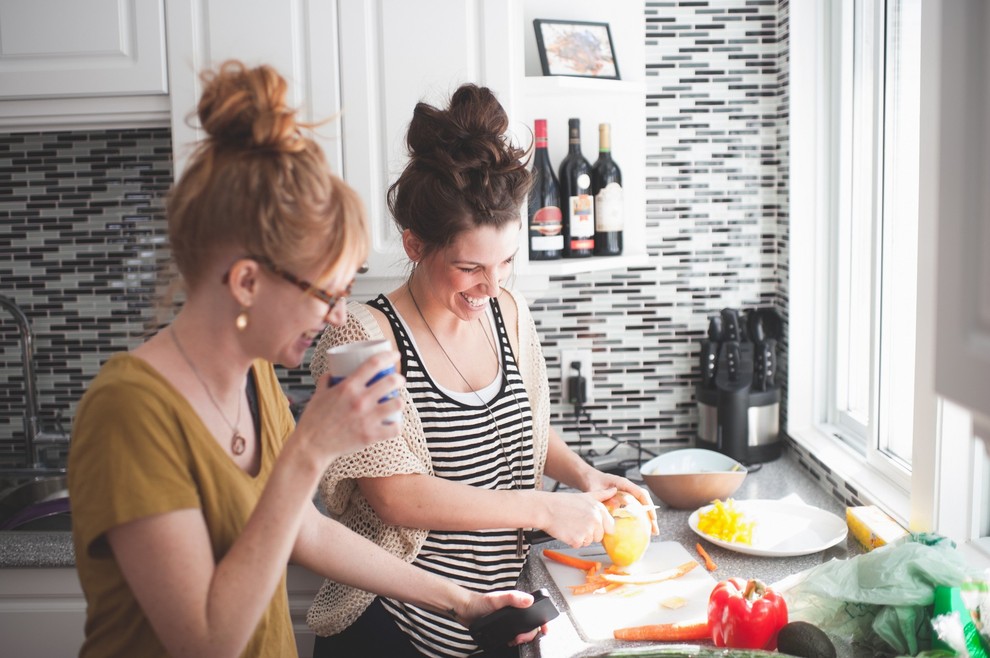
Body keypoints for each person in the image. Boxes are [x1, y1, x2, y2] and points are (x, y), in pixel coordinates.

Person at [67, 61, 543, 658]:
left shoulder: (254, 379)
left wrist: (460, 601)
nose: (339, 315)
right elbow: (204, 643)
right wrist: (310, 450)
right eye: (325, 293)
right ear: (246, 281)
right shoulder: (130, 411)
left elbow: (303, 529)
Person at [308, 83, 657, 658]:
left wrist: (584, 477)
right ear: (415, 244)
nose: (490, 288)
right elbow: (397, 496)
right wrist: (543, 507)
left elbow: (528, 428)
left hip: (494, 626)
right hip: (392, 631)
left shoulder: (509, 314)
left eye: (505, 264)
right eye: (469, 267)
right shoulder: (363, 335)